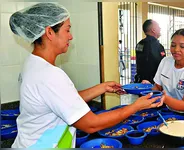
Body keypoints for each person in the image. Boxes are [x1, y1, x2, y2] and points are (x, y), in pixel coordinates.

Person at [9, 3, 164, 148]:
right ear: (49, 32)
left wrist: (102, 88)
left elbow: (64, 99)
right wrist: (136, 106)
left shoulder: (33, 64)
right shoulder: (49, 75)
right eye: (67, 30)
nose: (71, 36)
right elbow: (91, 124)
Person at [142, 29, 184, 114]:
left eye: (182, 46)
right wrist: (148, 88)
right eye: (173, 45)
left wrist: (164, 98)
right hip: (169, 109)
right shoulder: (165, 61)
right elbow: (157, 87)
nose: (176, 49)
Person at [135, 19, 166, 84]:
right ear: (153, 30)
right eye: (158, 26)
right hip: (153, 83)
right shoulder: (157, 46)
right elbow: (162, 65)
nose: (160, 28)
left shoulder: (140, 44)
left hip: (140, 81)